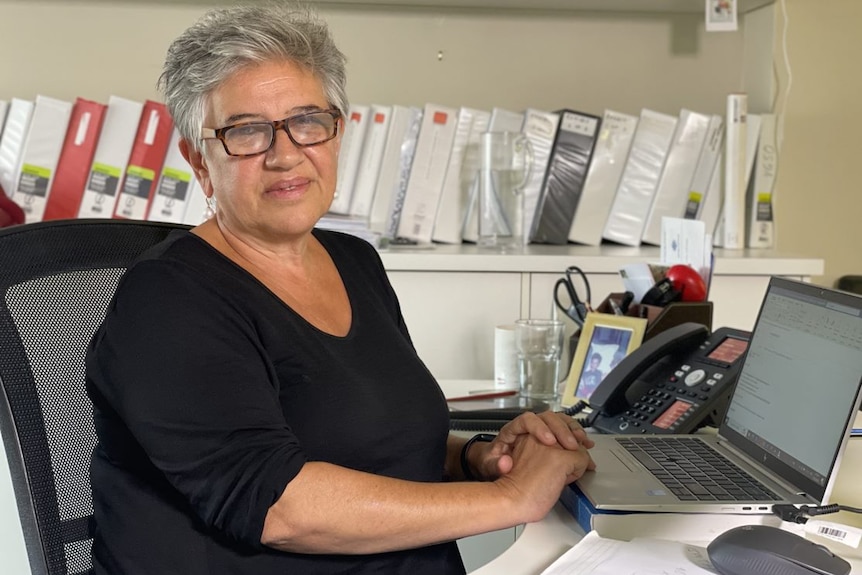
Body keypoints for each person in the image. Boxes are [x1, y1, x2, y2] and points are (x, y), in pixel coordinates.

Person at [85, 3, 595, 574]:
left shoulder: (353, 261)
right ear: (200, 161)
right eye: (247, 131)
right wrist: (513, 497)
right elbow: (278, 507)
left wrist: (483, 457)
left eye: (307, 121)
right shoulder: (165, 304)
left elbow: (372, 442)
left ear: (335, 133)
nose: (284, 155)